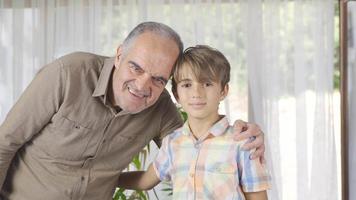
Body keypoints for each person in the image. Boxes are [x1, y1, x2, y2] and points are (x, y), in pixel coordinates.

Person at [0, 22, 265, 200]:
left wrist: (245, 132)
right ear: (118, 55)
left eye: (159, 79)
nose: (142, 85)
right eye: (136, 68)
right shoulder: (67, 74)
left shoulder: (162, 108)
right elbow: (5, 143)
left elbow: (196, 141)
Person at [117, 45, 271, 199]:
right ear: (177, 94)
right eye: (187, 85)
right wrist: (104, 178)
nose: (196, 93)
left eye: (207, 84)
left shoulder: (243, 142)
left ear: (223, 91)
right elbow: (145, 181)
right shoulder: (172, 143)